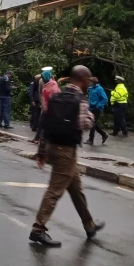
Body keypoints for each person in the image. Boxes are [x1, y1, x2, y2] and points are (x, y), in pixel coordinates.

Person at [30, 65, 105, 247]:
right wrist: (91, 117)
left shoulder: (57, 96)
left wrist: (41, 151)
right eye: (87, 80)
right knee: (54, 191)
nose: (88, 84)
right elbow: (84, 124)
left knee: (76, 189)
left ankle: (89, 225)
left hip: (52, 147)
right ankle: (38, 229)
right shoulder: (80, 100)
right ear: (83, 80)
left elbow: (45, 123)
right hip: (67, 151)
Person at [85, 77, 109, 145]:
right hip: (91, 108)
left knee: (92, 124)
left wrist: (98, 105)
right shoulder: (90, 89)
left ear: (93, 82)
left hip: (97, 109)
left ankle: (90, 140)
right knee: (93, 124)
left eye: (90, 82)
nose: (89, 83)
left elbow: (105, 99)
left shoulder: (99, 89)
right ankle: (104, 135)